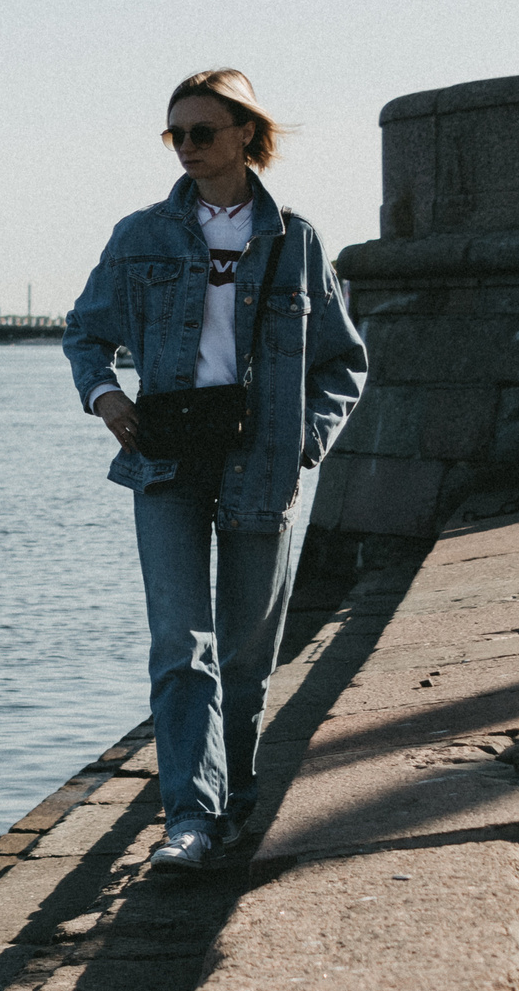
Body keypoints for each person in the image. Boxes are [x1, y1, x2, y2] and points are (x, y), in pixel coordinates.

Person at [62, 69, 368, 873]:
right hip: (164, 458)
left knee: (243, 653)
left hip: (262, 461)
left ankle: (234, 800)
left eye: (203, 131)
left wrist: (306, 439)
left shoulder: (294, 239)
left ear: (245, 134)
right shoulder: (140, 236)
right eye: (176, 135)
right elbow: (85, 332)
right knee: (178, 643)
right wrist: (105, 397)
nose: (188, 148)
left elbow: (344, 364)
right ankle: (187, 818)